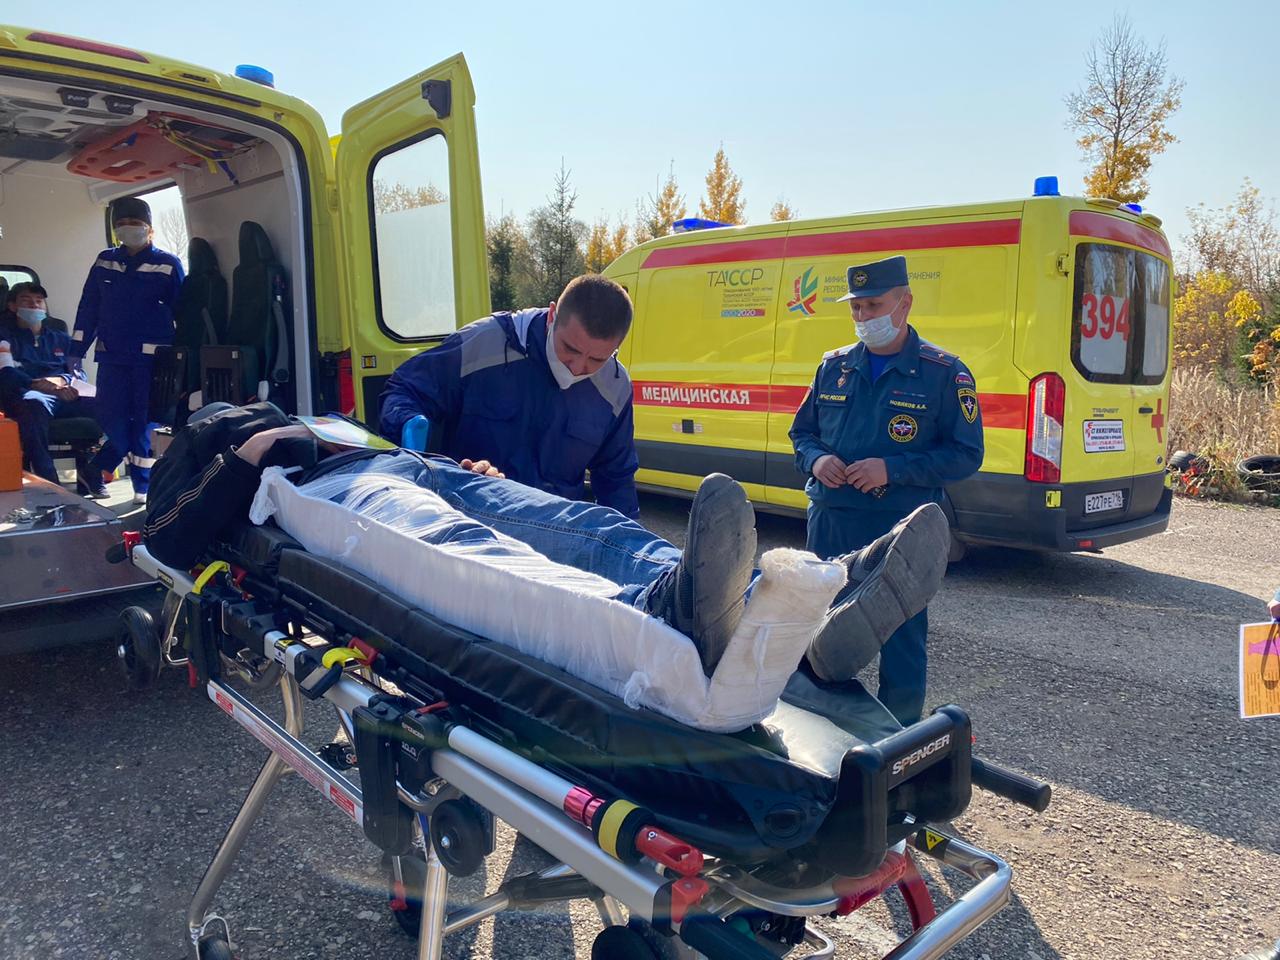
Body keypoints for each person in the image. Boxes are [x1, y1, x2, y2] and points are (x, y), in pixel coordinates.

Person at [144, 403, 948, 680]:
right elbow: (170, 538)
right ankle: (659, 614)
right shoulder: (207, 438)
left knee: (585, 524)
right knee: (469, 549)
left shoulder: (306, 410)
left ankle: (807, 613)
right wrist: (249, 450)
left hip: (416, 465)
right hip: (332, 494)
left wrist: (442, 458)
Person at [789, 255, 985, 725]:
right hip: (833, 519)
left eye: (873, 306)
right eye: (855, 307)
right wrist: (817, 460)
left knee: (902, 635)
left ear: (905, 303)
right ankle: (817, 724)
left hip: (901, 528)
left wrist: (891, 469)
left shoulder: (944, 373)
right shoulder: (833, 367)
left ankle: (897, 736)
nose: (863, 317)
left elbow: (965, 454)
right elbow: (802, 434)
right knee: (817, 627)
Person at [377, 274, 641, 518]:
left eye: (597, 360)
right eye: (570, 349)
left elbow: (616, 479)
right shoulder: (484, 343)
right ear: (552, 316)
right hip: (464, 520)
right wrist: (410, 432)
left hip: (551, 535)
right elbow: (405, 389)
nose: (577, 367)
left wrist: (626, 541)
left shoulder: (615, 387)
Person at [71, 196, 185, 504]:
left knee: (144, 423)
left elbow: (183, 312)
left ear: (149, 228)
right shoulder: (105, 261)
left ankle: (141, 487)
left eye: (134, 223)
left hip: (152, 360)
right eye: (121, 224)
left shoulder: (168, 264)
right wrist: (76, 349)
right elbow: (89, 307)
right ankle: (99, 467)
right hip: (113, 357)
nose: (128, 228)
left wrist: (183, 356)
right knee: (112, 419)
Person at [0, 282, 119, 496]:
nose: (34, 305)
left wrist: (63, 381)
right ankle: (50, 484)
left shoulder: (61, 338)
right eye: (26, 300)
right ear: (12, 306)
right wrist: (38, 384)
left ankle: (93, 470)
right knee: (33, 405)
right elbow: (6, 373)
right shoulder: (5, 338)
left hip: (64, 392)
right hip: (31, 393)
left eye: (39, 301)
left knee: (116, 407)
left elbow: (78, 372)